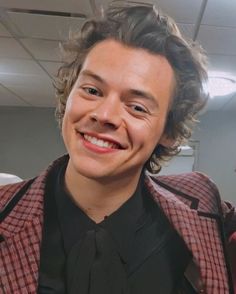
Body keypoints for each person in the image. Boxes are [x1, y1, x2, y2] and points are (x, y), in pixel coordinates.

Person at [0, 2, 235, 293]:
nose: (105, 115)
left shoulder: (205, 208)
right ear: (69, 92)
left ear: (169, 131)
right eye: (92, 90)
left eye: (137, 107)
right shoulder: (4, 211)